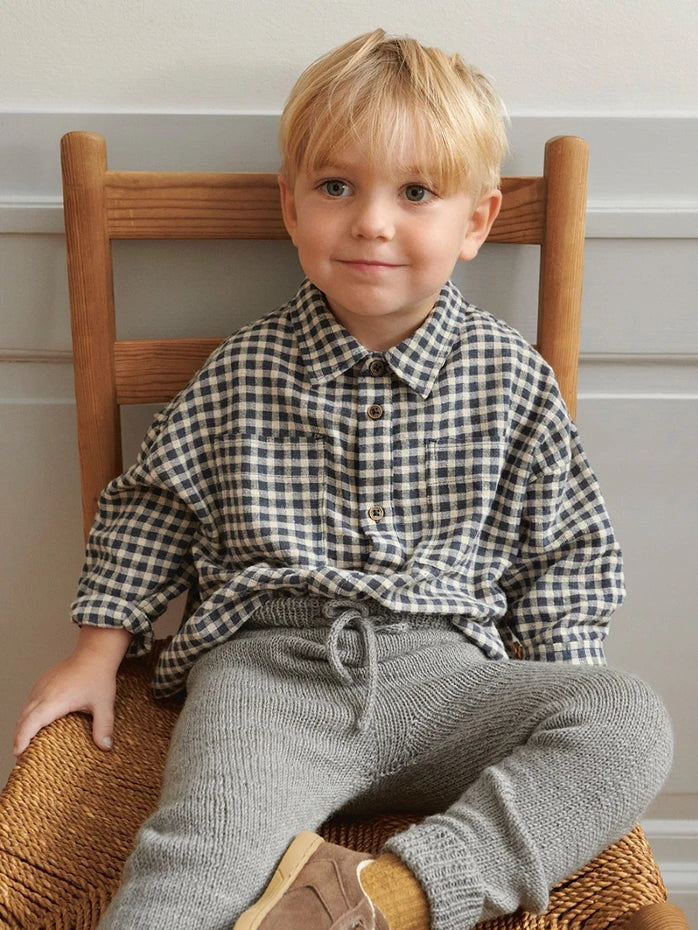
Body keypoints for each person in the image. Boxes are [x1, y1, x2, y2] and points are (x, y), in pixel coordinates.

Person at [14, 29, 672, 930]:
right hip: (270, 675)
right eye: (336, 187)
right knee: (193, 860)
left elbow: (564, 550)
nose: (371, 222)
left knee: (627, 718)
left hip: (448, 675)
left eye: (416, 193)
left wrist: (550, 691)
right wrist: (97, 651)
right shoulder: (243, 370)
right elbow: (152, 509)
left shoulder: (511, 380)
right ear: (291, 207)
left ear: (475, 222)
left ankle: (393, 897)